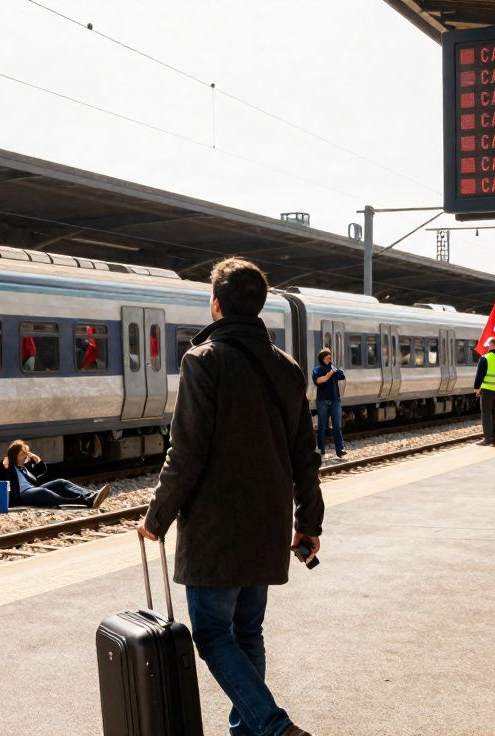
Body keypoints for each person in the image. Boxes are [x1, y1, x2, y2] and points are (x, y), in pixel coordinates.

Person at [137, 257, 322, 736]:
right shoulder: (287, 368)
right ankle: (251, 730)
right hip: (269, 521)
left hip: (218, 528)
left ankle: (273, 726)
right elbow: (307, 455)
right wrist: (310, 524)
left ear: (216, 305)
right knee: (247, 633)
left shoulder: (203, 361)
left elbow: (187, 451)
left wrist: (157, 517)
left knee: (215, 635)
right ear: (259, 307)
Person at [0, 440, 110, 509]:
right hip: (22, 496)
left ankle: (93, 495)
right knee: (42, 492)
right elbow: (0, 477)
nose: (25, 456)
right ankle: (84, 500)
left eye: (26, 453)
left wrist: (37, 459)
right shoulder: (9, 468)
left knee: (61, 482)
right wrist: (5, 466)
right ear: (14, 455)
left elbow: (41, 471)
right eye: (22, 453)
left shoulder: (25, 468)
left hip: (33, 490)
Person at [313, 348, 346, 457]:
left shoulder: (333, 368)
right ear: (322, 359)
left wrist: (333, 370)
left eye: (330, 358)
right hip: (322, 401)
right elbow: (319, 380)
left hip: (335, 400)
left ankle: (340, 449)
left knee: (337, 425)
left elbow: (342, 375)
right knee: (322, 426)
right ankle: (321, 450)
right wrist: (330, 373)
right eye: (328, 358)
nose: (330, 360)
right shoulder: (317, 370)